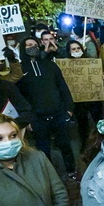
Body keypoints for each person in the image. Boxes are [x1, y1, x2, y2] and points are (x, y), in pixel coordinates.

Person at [18, 36, 78, 179]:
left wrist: (69, 109)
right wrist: (26, 120)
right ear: (23, 49)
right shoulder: (20, 70)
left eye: (34, 44)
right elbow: (19, 98)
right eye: (28, 45)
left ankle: (71, 171)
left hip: (58, 114)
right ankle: (50, 176)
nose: (32, 47)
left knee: (65, 145)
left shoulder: (50, 65)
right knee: (43, 149)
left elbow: (63, 87)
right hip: (37, 118)